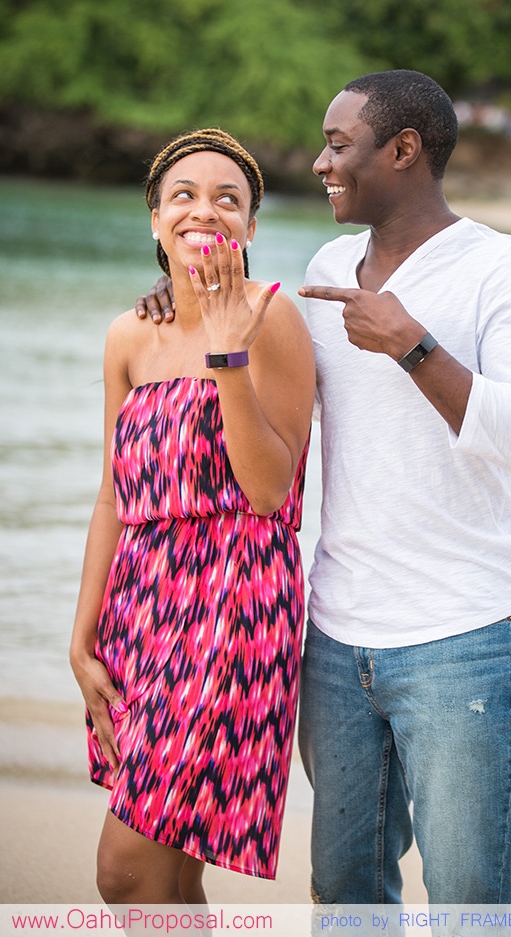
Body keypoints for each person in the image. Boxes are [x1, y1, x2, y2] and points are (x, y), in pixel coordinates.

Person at [137, 71, 511, 908]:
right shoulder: (329, 265)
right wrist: (178, 295)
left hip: (464, 633)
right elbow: (245, 343)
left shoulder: (503, 271)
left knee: (467, 896)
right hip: (334, 637)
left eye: (339, 145)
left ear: (402, 150)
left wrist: (414, 347)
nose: (320, 162)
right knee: (344, 890)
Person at [70, 127, 315, 906]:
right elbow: (115, 493)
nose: (202, 211)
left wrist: (225, 353)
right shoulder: (127, 336)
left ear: (248, 227)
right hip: (142, 607)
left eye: (227, 199)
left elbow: (271, 491)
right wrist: (81, 638)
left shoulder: (269, 320)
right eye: (182, 195)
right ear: (153, 218)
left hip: (235, 606)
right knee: (167, 873)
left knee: (123, 869)